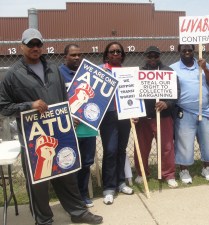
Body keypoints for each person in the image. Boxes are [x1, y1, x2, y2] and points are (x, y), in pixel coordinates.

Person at [0, 28, 102, 224]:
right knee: (38, 182)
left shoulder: (53, 68)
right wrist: (29, 105)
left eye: (39, 44)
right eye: (31, 44)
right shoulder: (13, 75)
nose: (35, 48)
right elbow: (4, 107)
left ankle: (78, 213)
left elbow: (64, 99)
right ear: (22, 46)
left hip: (60, 132)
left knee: (67, 174)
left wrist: (70, 115)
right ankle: (44, 220)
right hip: (34, 138)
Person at [170, 44, 209, 184]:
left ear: (194, 51)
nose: (187, 52)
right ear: (179, 51)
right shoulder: (173, 68)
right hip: (184, 112)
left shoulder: (203, 65)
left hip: (204, 111)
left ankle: (207, 168)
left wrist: (204, 68)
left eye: (190, 50)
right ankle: (184, 170)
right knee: (184, 142)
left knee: (206, 141)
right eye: (184, 50)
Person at [59, 44, 99, 207]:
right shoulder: (58, 74)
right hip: (68, 130)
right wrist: (67, 116)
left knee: (86, 163)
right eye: (73, 55)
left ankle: (83, 194)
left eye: (79, 55)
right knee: (69, 164)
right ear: (65, 57)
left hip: (88, 129)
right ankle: (71, 198)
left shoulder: (88, 73)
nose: (76, 58)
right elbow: (55, 100)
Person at [133, 46, 178, 188]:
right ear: (145, 57)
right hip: (143, 117)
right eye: (149, 56)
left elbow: (177, 93)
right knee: (141, 147)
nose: (152, 59)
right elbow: (131, 94)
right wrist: (133, 111)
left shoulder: (168, 72)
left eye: (155, 56)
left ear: (160, 56)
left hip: (163, 117)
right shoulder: (139, 73)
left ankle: (168, 174)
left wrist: (168, 103)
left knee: (166, 147)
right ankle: (142, 173)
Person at [99, 42, 133, 205]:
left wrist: (135, 112)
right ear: (107, 55)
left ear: (122, 55)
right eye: (112, 52)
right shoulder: (100, 70)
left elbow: (133, 94)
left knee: (121, 149)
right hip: (108, 115)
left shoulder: (128, 72)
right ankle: (108, 187)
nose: (115, 54)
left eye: (118, 51)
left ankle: (120, 182)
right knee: (110, 150)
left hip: (124, 115)